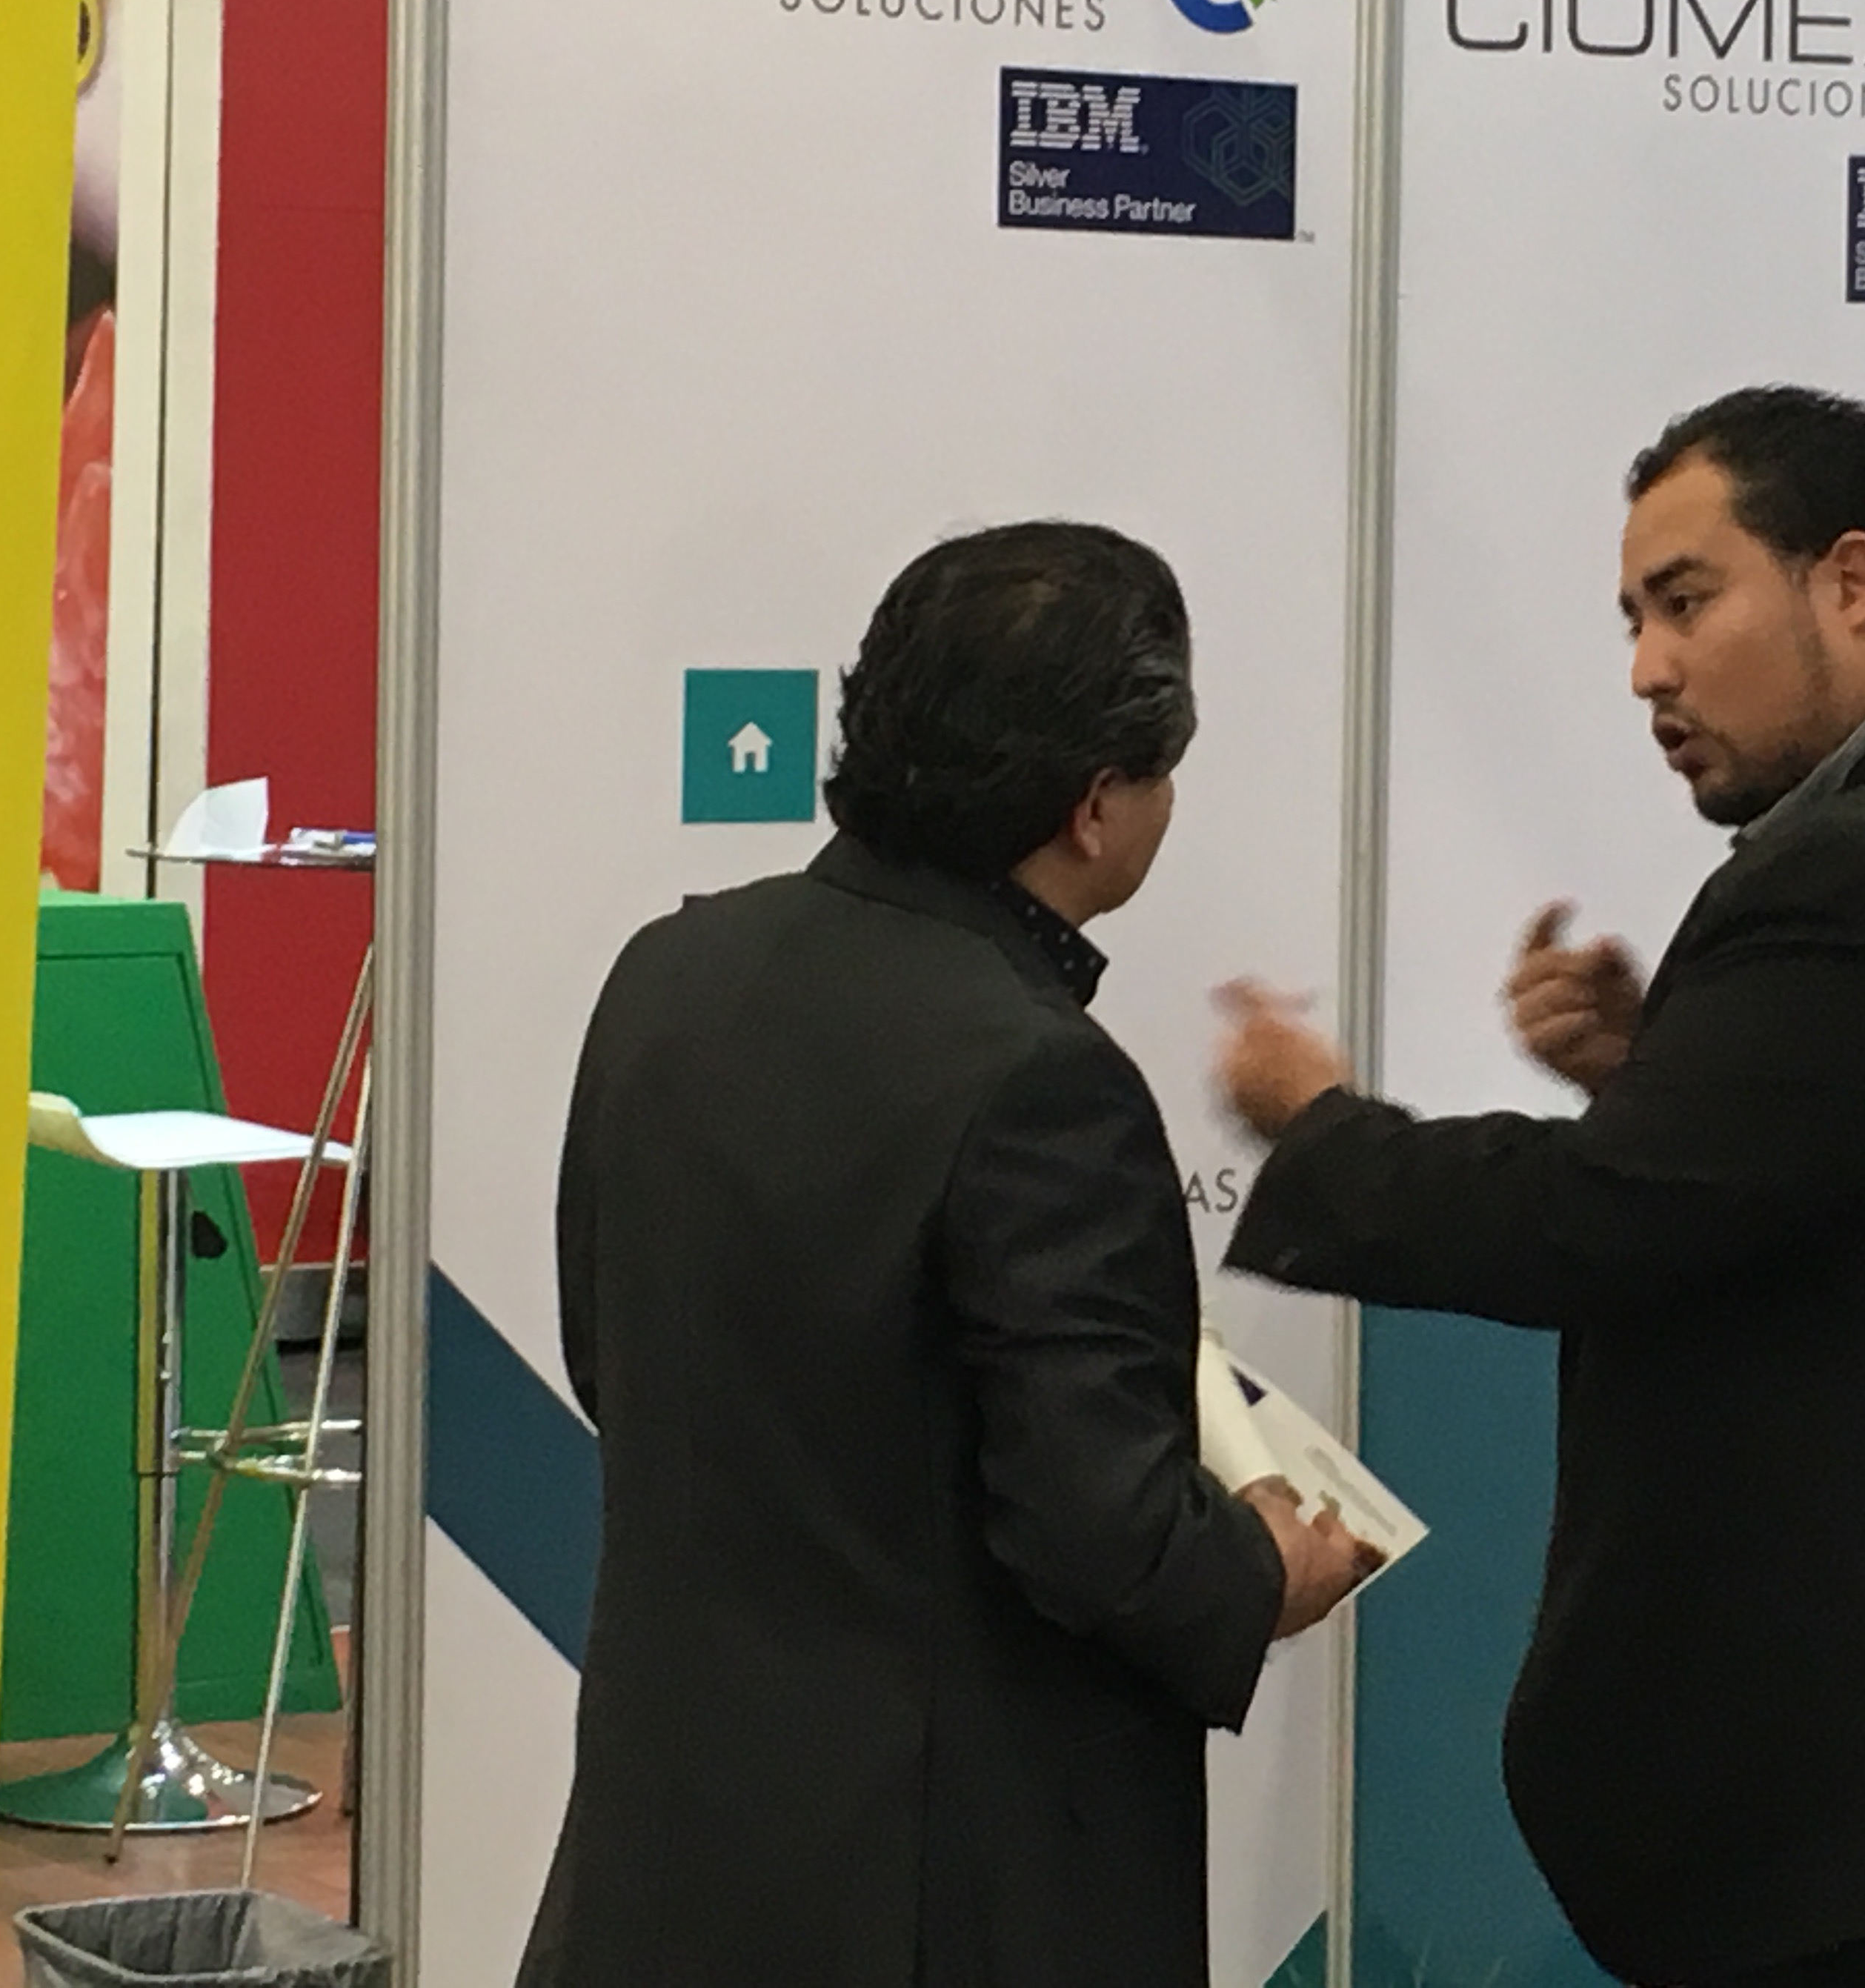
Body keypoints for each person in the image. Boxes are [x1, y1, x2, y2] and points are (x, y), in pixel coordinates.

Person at [1211, 388, 1865, 1988]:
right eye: (1633, 621)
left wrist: (1316, 1128)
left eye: (1686, 601)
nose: (1649, 668)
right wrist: (1664, 1070)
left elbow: (1598, 1221)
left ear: (1851, 580)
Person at [517, 524, 1372, 1988]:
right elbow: (1100, 1537)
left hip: (668, 1849)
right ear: (1095, 806)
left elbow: (614, 1359)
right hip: (937, 1887)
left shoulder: (670, 972)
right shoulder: (1041, 1076)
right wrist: (1263, 1568)